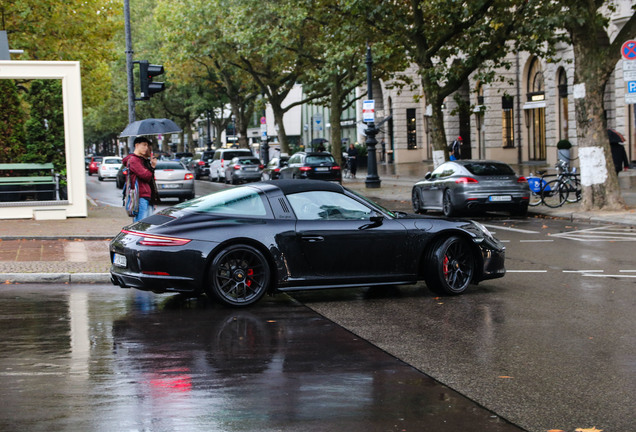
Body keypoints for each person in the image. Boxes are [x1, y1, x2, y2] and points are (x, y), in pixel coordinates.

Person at [122, 137, 160, 222]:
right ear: (137, 145)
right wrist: (152, 167)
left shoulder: (142, 160)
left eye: (147, 146)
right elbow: (146, 176)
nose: (146, 148)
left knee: (147, 225)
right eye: (144, 145)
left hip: (146, 196)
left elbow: (150, 179)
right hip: (140, 196)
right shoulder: (133, 160)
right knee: (140, 225)